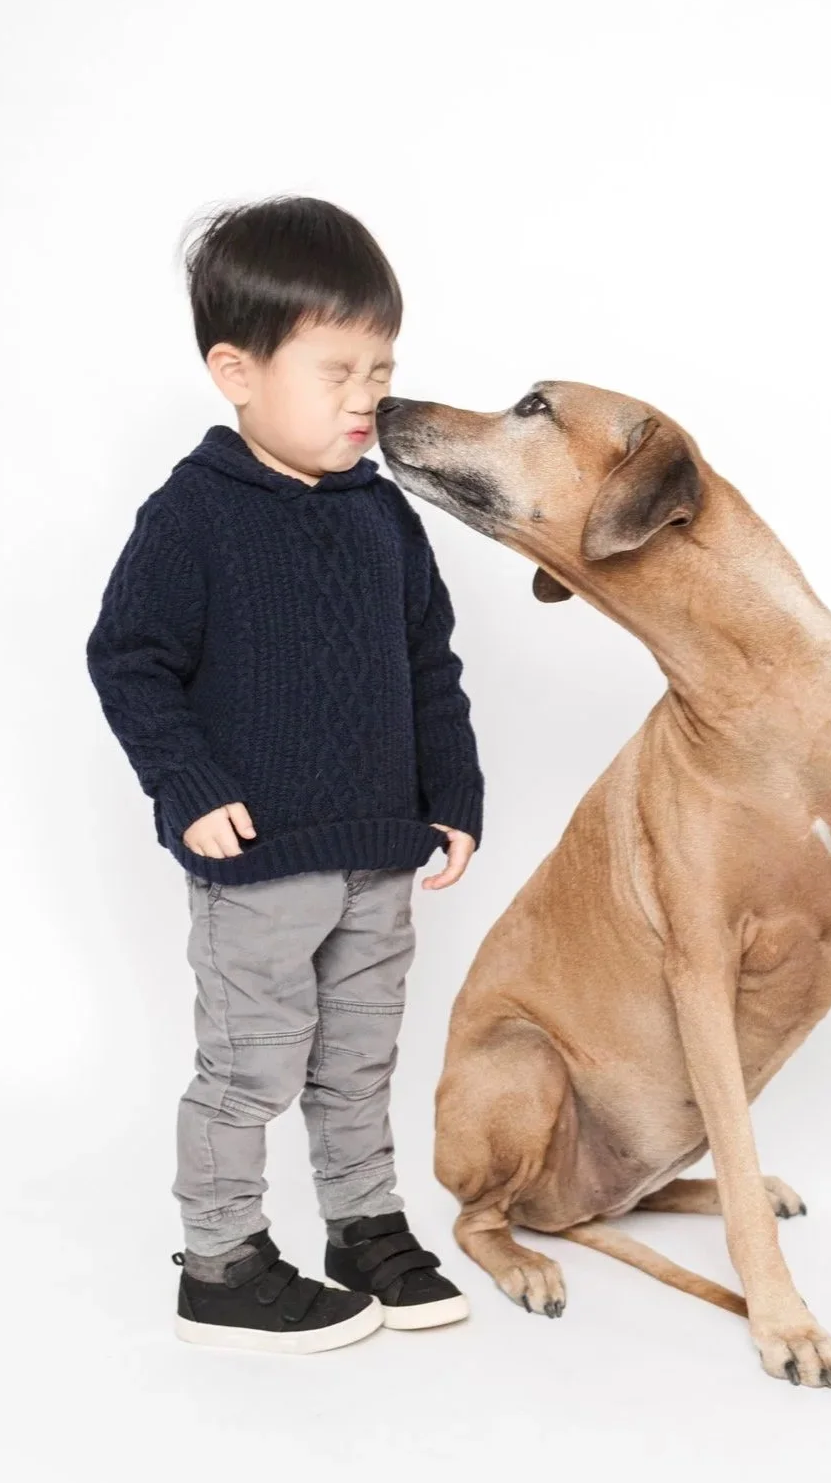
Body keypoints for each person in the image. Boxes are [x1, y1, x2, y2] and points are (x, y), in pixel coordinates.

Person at [87, 195, 484, 1353]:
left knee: (358, 1063)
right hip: (258, 864)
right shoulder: (195, 514)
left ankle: (361, 1225)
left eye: (382, 366)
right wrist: (190, 785)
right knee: (250, 1068)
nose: (368, 394)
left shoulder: (384, 518)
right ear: (236, 371)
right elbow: (129, 658)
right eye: (337, 368)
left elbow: (428, 665)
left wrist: (450, 795)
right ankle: (217, 1261)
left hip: (377, 853)